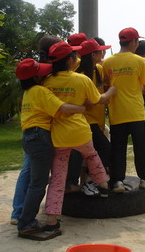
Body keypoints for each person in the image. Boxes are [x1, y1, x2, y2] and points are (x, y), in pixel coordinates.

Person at [43, 41, 115, 236]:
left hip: (59, 136)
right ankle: (103, 186)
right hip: (80, 132)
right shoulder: (81, 80)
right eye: (74, 55)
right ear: (69, 60)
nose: (77, 57)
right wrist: (111, 91)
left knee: (58, 178)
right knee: (92, 157)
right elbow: (98, 99)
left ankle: (51, 220)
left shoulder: (47, 82)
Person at [15, 58, 86, 240]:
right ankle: (26, 223)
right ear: (36, 77)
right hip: (40, 138)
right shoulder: (40, 91)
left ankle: (25, 220)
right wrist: (82, 108)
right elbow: (62, 107)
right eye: (41, 73)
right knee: (38, 184)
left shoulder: (28, 92)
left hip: (28, 137)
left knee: (35, 181)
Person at [10, 35, 63, 225]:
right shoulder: (43, 74)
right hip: (42, 130)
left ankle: (18, 213)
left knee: (29, 172)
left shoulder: (34, 69)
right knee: (37, 179)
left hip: (30, 129)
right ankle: (24, 217)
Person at [102, 27, 145, 193]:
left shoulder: (108, 62)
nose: (137, 44)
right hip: (136, 113)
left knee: (118, 149)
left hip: (117, 113)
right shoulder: (140, 61)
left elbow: (106, 86)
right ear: (132, 42)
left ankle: (116, 181)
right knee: (140, 148)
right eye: (137, 41)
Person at [75, 39, 113, 195]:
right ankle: (91, 182)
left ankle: (92, 182)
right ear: (92, 55)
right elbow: (90, 101)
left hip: (97, 121)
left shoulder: (98, 69)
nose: (103, 53)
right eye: (100, 51)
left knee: (95, 152)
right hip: (85, 121)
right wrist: (110, 92)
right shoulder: (81, 75)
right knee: (105, 148)